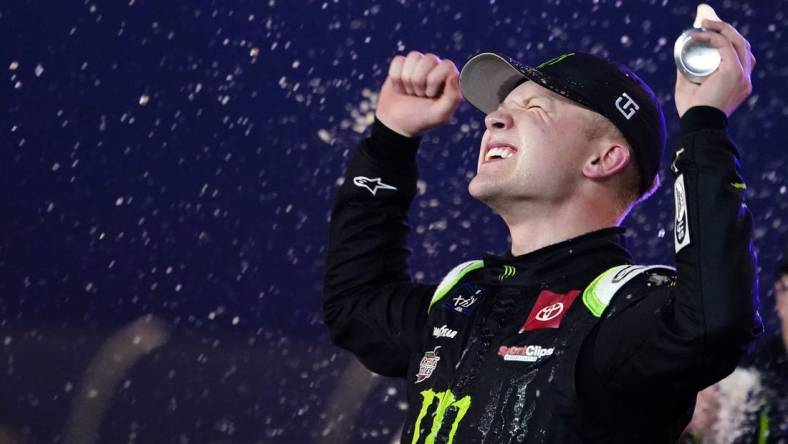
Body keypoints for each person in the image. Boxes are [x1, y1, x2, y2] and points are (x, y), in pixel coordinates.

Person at [323, 18, 762, 444]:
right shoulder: (464, 298)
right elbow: (353, 304)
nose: (492, 120)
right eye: (499, 111)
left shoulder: (620, 311)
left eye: (533, 108)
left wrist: (704, 123)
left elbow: (714, 320)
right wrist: (390, 140)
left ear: (604, 159)